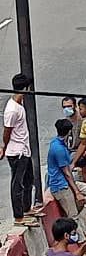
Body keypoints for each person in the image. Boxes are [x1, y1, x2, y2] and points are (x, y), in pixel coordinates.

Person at [4, 73, 36, 225]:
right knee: (18, 184)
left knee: (29, 179)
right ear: (26, 88)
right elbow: (7, 131)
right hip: (16, 152)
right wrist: (3, 146)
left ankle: (26, 208)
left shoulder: (19, 104)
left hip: (24, 150)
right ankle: (18, 217)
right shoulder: (12, 110)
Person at [47, 119, 86, 227]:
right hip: (61, 186)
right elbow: (67, 173)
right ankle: (80, 239)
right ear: (69, 131)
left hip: (66, 182)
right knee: (73, 216)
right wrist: (77, 192)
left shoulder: (57, 142)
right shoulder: (58, 149)